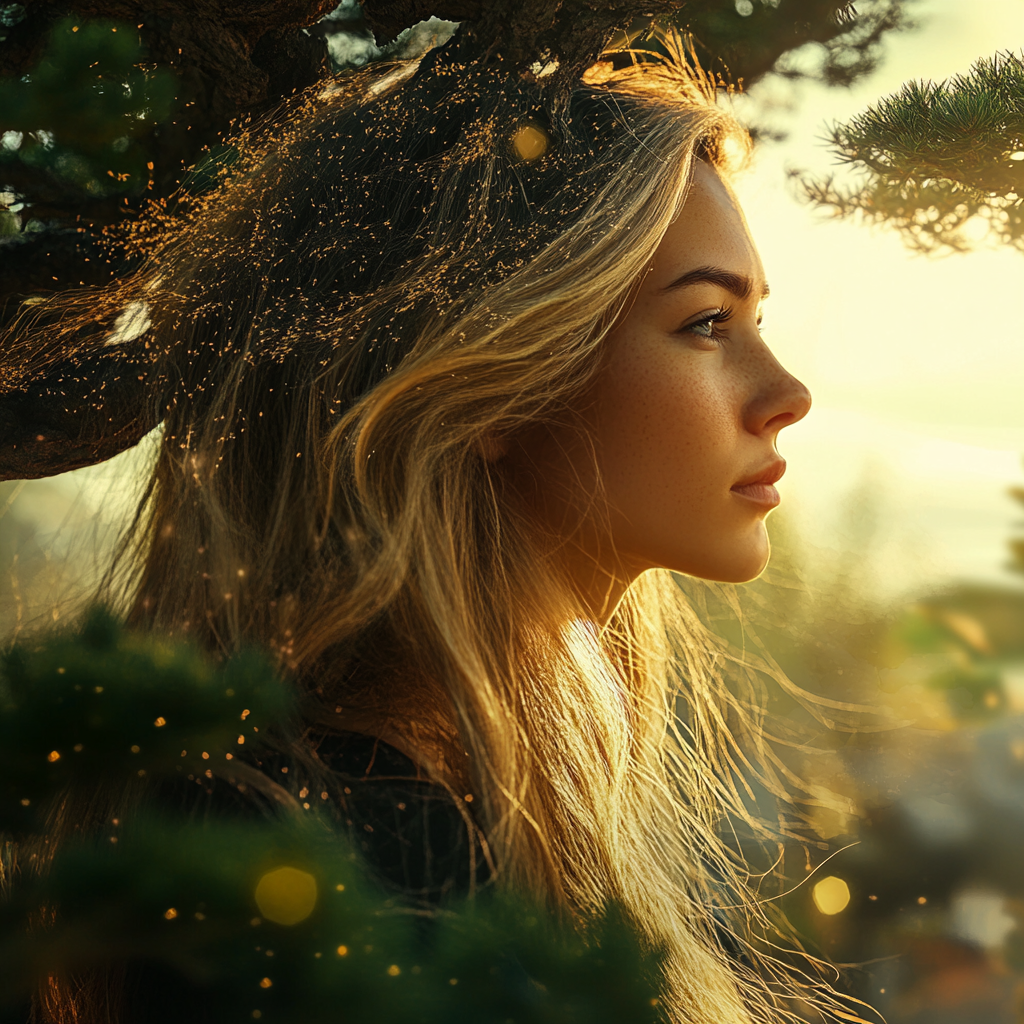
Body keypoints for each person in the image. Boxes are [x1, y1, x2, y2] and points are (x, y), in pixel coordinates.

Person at [18, 29, 824, 1024]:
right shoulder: (356, 862)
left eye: (755, 321)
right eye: (706, 322)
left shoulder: (411, 810)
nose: (786, 393)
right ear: (490, 377)